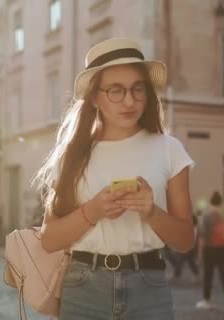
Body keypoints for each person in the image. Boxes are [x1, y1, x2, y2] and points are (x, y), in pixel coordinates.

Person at [34, 38, 195, 319]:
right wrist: (92, 211)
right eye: (116, 91)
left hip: (149, 287)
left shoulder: (169, 149)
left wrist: (151, 211)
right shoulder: (71, 157)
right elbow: (49, 240)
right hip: (83, 287)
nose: (130, 101)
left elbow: (185, 240)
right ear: (95, 97)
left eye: (137, 89)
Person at [196, 191, 224, 313]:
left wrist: (200, 253)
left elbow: (202, 236)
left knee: (208, 275)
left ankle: (206, 301)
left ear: (210, 202)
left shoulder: (206, 216)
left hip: (210, 249)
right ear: (221, 202)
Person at [164, 214, 200, 284]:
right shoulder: (191, 228)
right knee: (190, 262)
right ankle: (196, 275)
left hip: (189, 249)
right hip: (188, 249)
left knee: (180, 261)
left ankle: (177, 276)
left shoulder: (195, 229)